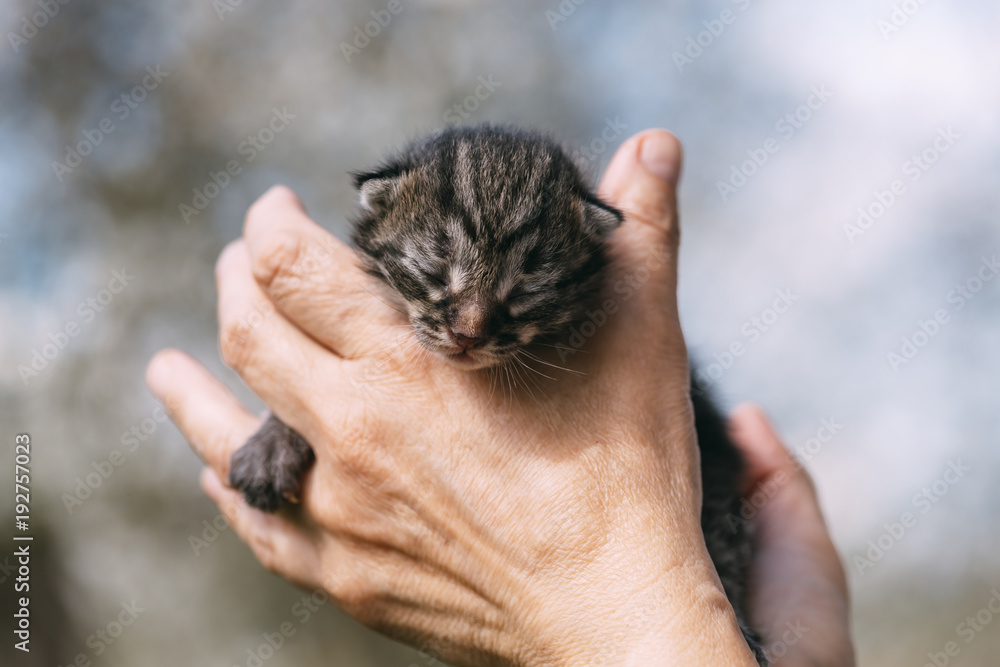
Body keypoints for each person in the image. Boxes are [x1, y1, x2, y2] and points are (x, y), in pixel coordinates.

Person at [146, 130, 855, 666]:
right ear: (379, 220)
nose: (471, 326)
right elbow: (347, 393)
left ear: (585, 276)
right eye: (439, 280)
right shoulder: (378, 300)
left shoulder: (628, 371)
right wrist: (291, 424)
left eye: (523, 290)